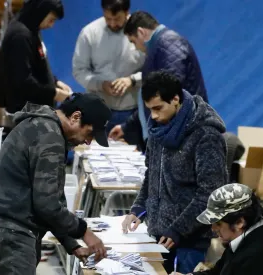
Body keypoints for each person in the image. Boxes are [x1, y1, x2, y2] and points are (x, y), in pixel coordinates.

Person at [0, 93, 111, 275]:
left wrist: (70, 243)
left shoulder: (45, 128)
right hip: (12, 232)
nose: (88, 141)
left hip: (10, 229)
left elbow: (51, 198)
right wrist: (85, 232)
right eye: (89, 133)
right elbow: (47, 205)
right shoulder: (49, 137)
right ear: (76, 117)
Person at [121, 71, 227, 273]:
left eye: (158, 108)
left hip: (190, 243)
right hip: (157, 237)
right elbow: (151, 176)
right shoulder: (157, 131)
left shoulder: (206, 136)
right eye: (149, 110)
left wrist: (179, 230)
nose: (153, 116)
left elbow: (211, 195)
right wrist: (138, 209)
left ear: (176, 100)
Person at [109, 11, 208, 152]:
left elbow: (167, 95)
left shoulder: (168, 44)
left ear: (141, 32)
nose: (135, 47)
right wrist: (127, 127)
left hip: (182, 136)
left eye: (133, 41)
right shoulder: (160, 46)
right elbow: (154, 100)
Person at [171, 183, 263, 275]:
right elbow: (218, 272)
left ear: (239, 222)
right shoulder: (246, 238)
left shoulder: (258, 257)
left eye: (218, 223)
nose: (213, 228)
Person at [0, 0, 72, 136]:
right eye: (51, 20)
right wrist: (55, 93)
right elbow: (23, 81)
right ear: (40, 12)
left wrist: (55, 83)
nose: (51, 25)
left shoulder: (32, 29)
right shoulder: (20, 35)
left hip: (36, 115)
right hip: (26, 118)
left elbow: (38, 66)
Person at [72, 0, 144, 132]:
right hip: (97, 111)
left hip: (133, 113)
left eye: (117, 19)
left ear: (127, 12)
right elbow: (79, 70)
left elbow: (153, 70)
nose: (112, 23)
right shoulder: (89, 33)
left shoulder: (141, 33)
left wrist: (132, 80)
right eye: (108, 18)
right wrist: (100, 84)